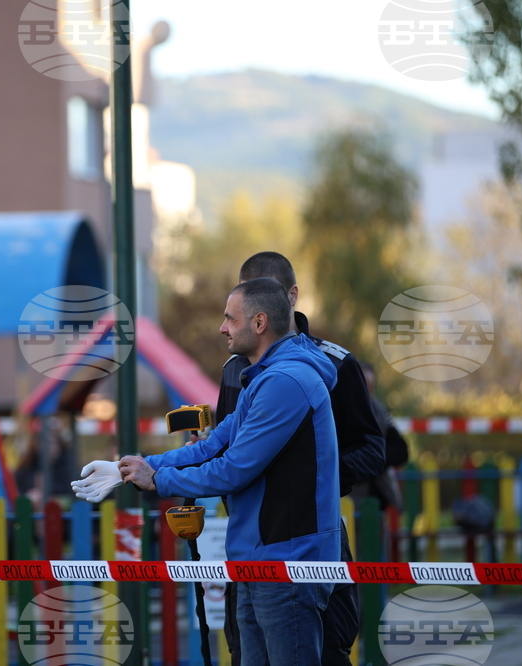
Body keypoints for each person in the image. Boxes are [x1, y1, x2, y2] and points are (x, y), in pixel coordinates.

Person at [120, 278, 341, 665]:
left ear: (258, 323)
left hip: (287, 562)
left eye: (229, 318)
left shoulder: (285, 382)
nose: (222, 327)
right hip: (261, 558)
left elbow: (234, 470)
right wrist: (142, 465)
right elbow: (214, 444)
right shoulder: (267, 377)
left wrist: (158, 481)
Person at [214, 252, 386, 666]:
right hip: (249, 541)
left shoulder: (335, 363)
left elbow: (374, 448)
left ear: (290, 296)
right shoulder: (234, 369)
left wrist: (316, 478)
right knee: (245, 652)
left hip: (312, 536)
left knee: (326, 649)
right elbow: (224, 449)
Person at [351, 361, 409, 513]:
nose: (366, 391)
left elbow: (401, 451)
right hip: (352, 498)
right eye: (363, 384)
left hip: (380, 498)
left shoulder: (380, 410)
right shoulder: (343, 411)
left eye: (370, 386)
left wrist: (373, 459)